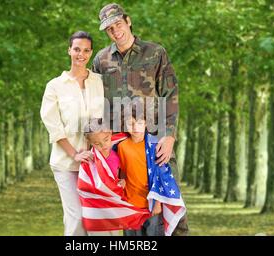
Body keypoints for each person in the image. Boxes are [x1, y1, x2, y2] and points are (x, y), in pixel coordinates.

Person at [92, 3, 188, 235]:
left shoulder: (155, 52)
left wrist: (169, 135)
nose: (116, 31)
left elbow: (170, 94)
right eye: (109, 29)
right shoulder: (101, 60)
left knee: (167, 205)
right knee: (131, 209)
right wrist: (97, 142)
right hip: (121, 145)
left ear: (128, 20)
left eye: (118, 24)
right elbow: (95, 103)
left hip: (154, 140)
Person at [40, 31, 104, 236]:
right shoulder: (55, 86)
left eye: (86, 50)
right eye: (77, 49)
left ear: (91, 53)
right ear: (69, 50)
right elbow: (54, 126)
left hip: (96, 163)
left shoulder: (99, 82)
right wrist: (75, 154)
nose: (81, 54)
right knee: (76, 217)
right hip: (66, 163)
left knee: (95, 220)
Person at [117, 102, 163, 236]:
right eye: (130, 123)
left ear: (146, 124)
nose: (135, 127)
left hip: (151, 204)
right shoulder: (122, 147)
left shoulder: (154, 145)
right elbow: (123, 171)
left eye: (139, 123)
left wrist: (158, 203)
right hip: (130, 204)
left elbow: (160, 176)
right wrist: (122, 181)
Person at [82, 117, 125, 236]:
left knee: (114, 233)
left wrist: (122, 181)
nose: (103, 145)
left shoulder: (116, 155)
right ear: (90, 143)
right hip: (96, 206)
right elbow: (85, 184)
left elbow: (120, 173)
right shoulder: (90, 159)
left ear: (110, 133)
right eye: (97, 144)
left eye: (106, 140)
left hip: (112, 204)